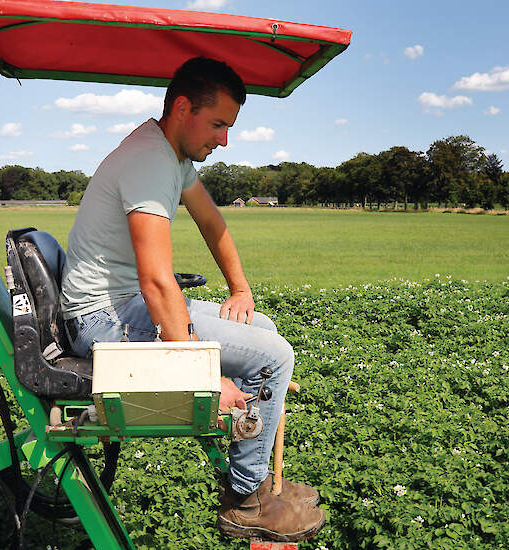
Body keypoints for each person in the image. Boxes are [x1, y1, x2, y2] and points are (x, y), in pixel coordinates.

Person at [60, 56, 324, 542]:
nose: (224, 139)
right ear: (183, 107)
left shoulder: (171, 156)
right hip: (101, 318)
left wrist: (240, 289)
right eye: (218, 123)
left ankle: (258, 471)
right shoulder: (149, 160)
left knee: (260, 327)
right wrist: (202, 374)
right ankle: (247, 499)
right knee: (273, 357)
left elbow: (210, 221)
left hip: (121, 306)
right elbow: (157, 283)